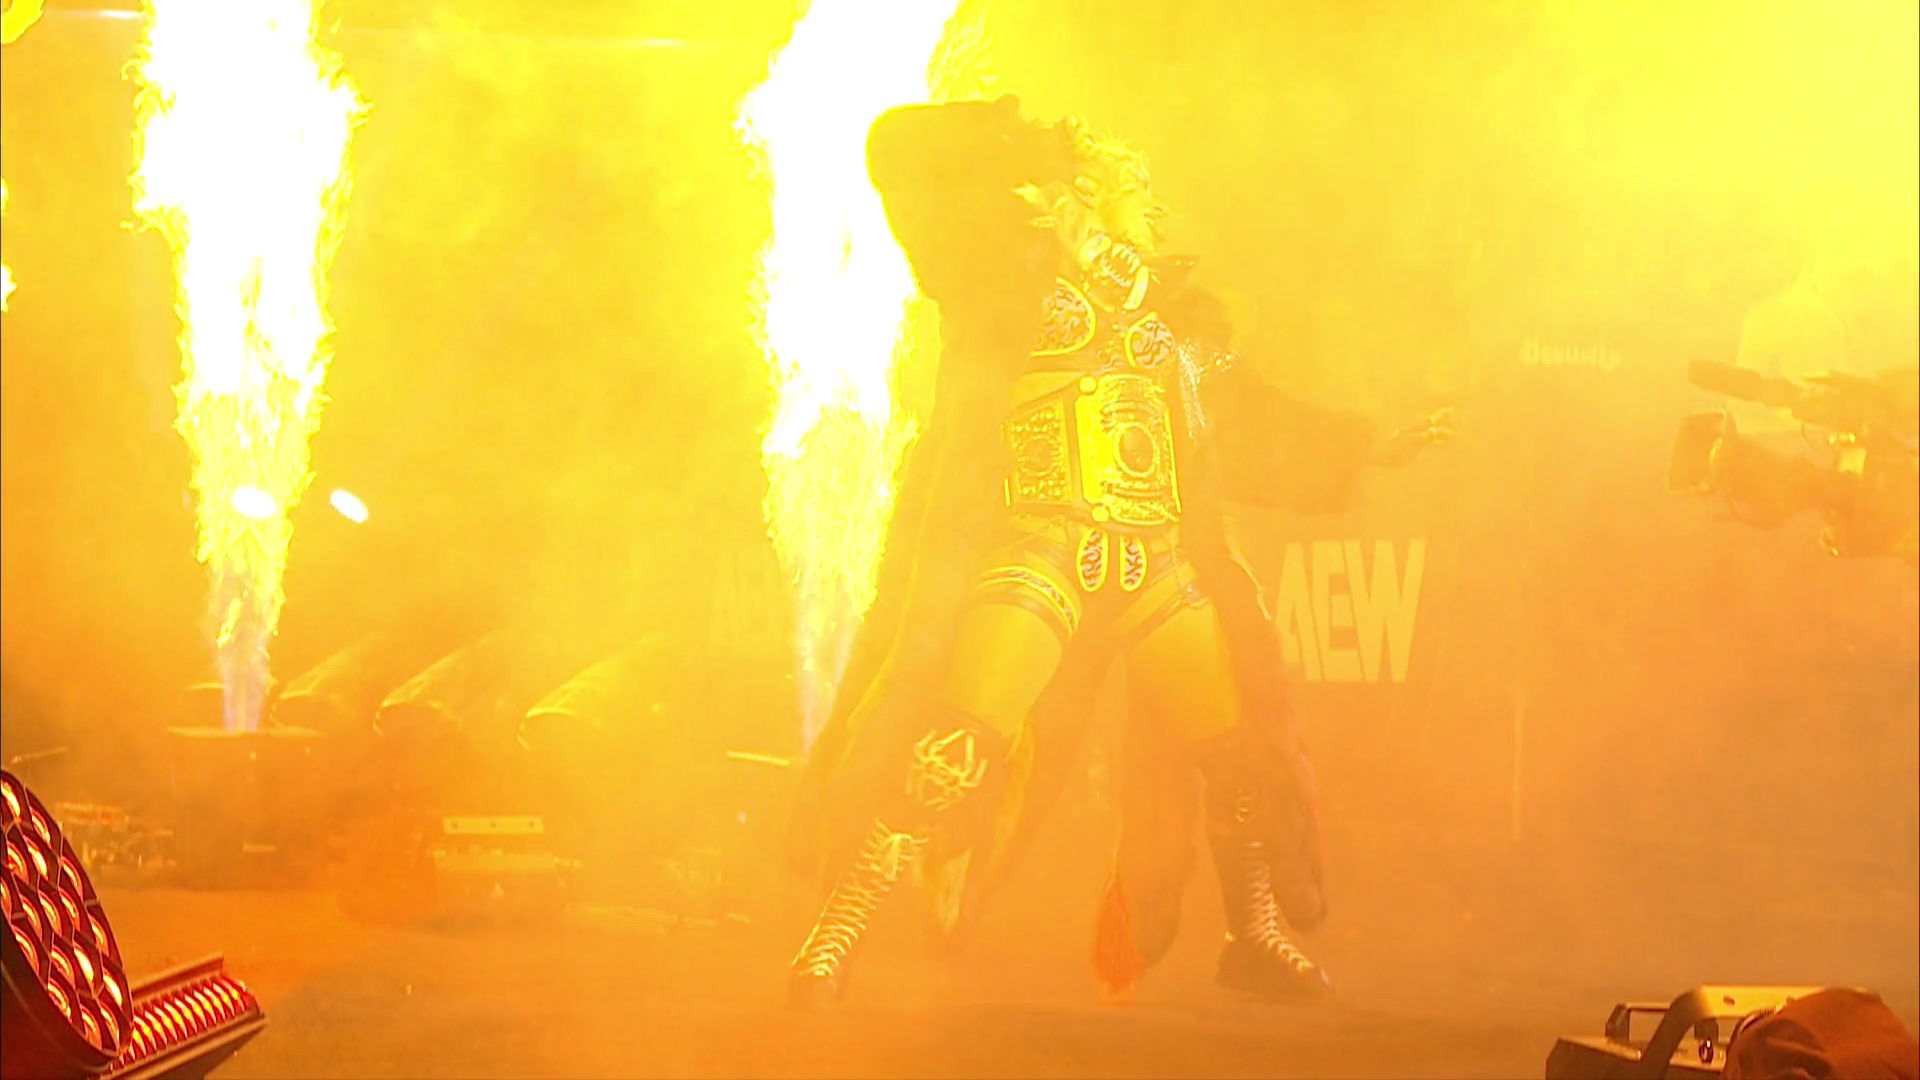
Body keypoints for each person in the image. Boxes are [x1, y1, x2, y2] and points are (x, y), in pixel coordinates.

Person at [783, 95, 1449, 1009]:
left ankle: (1253, 934)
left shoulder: (1178, 319)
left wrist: (1368, 446)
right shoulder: (997, 276)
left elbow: (1250, 420)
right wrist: (1011, 148)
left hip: (1155, 557)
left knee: (1240, 751)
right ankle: (836, 932)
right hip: (1044, 542)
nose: (1136, 208)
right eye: (1115, 188)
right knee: (952, 747)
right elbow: (898, 150)